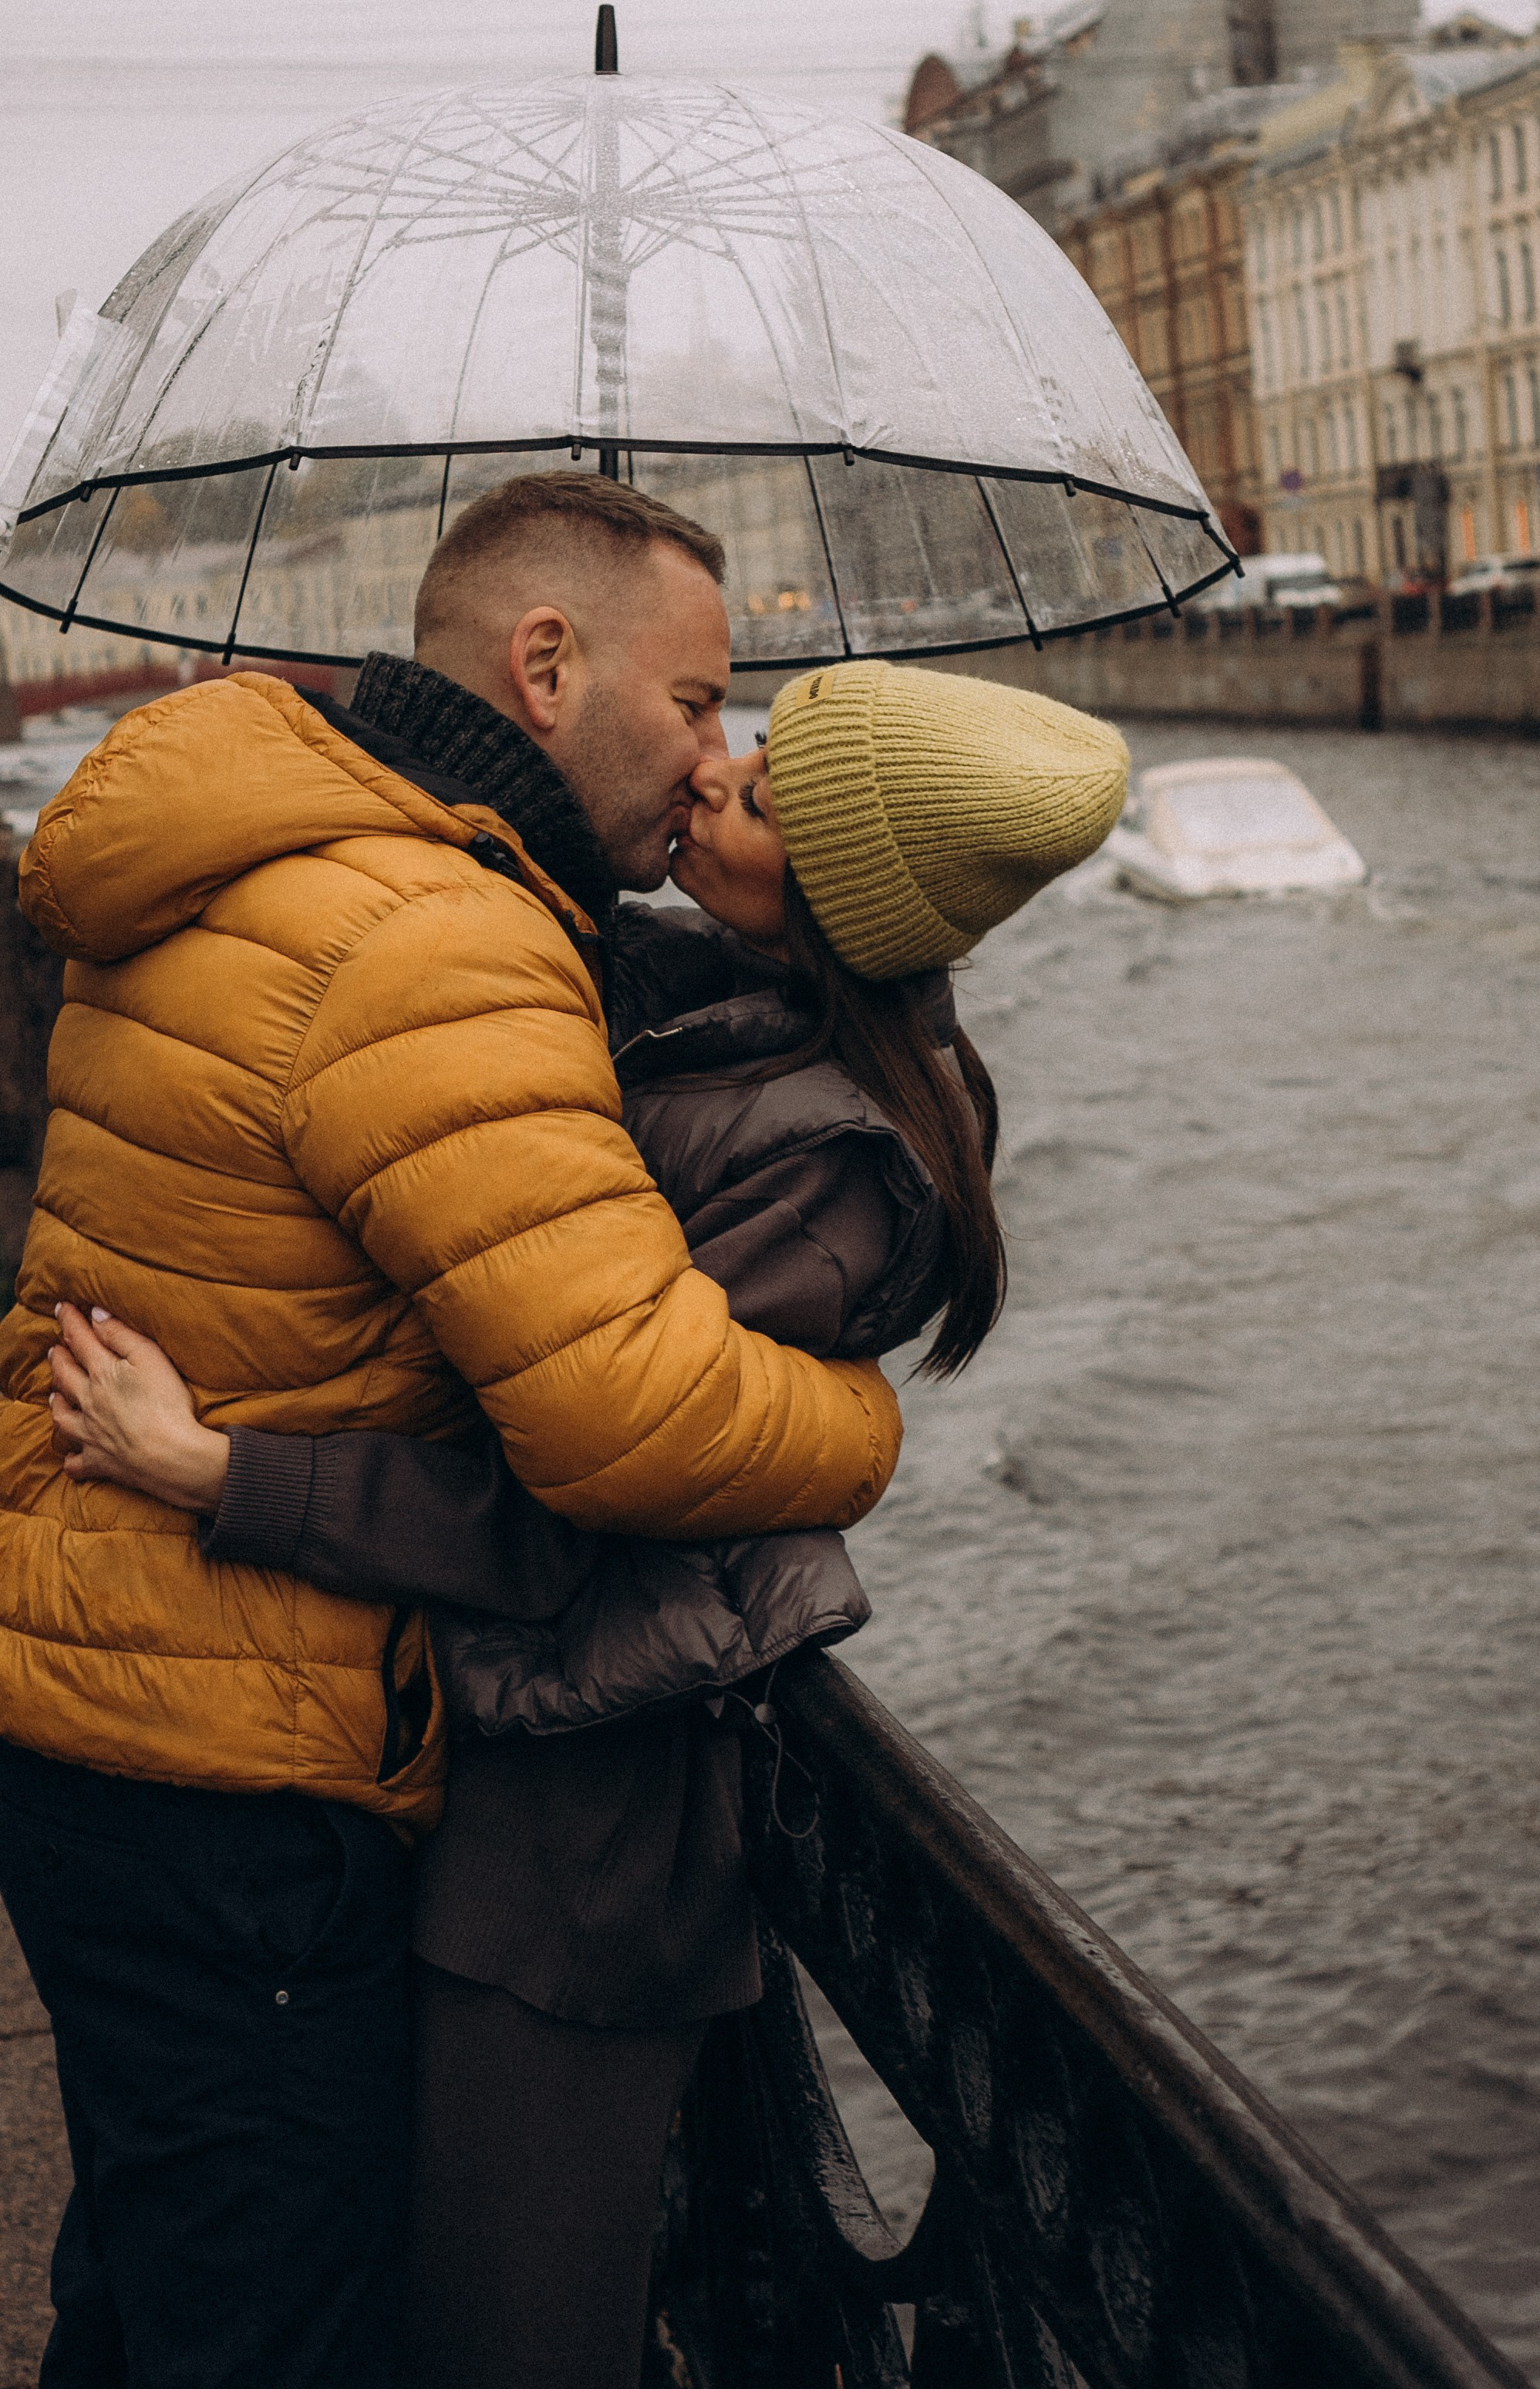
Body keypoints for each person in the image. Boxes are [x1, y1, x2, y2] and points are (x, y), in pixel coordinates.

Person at [39, 651, 1129, 2387]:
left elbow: (586, 1497)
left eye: (757, 794)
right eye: (725, 735)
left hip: (568, 1843)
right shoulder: (666, 989)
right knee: (242, 2259)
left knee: (481, 2329)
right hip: (442, 1744)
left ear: (839, 904)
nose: (709, 777)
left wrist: (227, 1473)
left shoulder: (838, 1169)